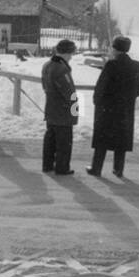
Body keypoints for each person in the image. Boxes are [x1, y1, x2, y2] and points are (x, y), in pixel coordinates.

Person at [87, 36, 139, 178]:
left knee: (102, 139)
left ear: (115, 48)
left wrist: (97, 101)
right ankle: (118, 169)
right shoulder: (136, 66)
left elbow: (101, 86)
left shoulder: (111, 65)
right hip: (125, 109)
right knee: (121, 140)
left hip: (108, 108)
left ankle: (96, 168)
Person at [41, 38, 78, 175]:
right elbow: (70, 92)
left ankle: (47, 165)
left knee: (50, 138)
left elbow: (45, 86)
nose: (71, 57)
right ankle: (62, 167)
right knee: (64, 142)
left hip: (51, 107)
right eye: (71, 54)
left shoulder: (47, 65)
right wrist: (76, 111)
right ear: (67, 53)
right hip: (63, 111)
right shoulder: (61, 69)